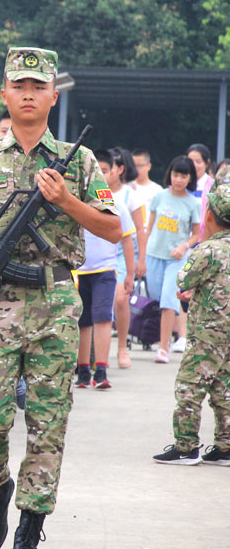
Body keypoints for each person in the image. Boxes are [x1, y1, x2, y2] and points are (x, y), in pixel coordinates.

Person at [0, 47, 121, 549]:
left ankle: (31, 523)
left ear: (53, 96)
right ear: (5, 94)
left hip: (55, 301)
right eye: (20, 85)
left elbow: (113, 227)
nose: (29, 94)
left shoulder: (77, 162)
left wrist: (66, 200)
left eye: (39, 86)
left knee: (48, 420)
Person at [153, 184, 230, 466]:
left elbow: (184, 281)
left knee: (189, 388)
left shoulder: (207, 250)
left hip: (207, 333)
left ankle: (186, 447)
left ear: (209, 216)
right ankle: (225, 447)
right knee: (224, 389)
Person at [75, 149, 135, 389]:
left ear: (113, 173)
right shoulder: (75, 199)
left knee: (102, 317)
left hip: (105, 270)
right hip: (78, 271)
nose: (99, 174)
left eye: (104, 170)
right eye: (94, 170)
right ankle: (82, 371)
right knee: (82, 321)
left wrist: (130, 273)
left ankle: (101, 369)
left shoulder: (115, 202)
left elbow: (127, 238)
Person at [145, 156, 201, 364]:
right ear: (170, 174)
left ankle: (163, 347)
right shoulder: (159, 196)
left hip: (176, 259)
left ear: (190, 178)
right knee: (156, 297)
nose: (178, 179)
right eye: (175, 174)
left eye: (183, 175)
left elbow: (196, 234)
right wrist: (142, 256)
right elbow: (148, 227)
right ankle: (157, 338)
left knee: (169, 300)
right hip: (153, 254)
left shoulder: (193, 203)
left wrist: (184, 246)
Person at [105, 147, 146, 367]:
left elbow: (140, 230)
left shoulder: (131, 196)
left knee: (121, 298)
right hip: (101, 251)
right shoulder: (93, 191)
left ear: (119, 169)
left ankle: (122, 348)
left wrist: (141, 261)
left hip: (124, 252)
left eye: (107, 169)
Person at [131, 149, 163, 227]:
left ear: (149, 166)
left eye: (140, 166)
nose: (136, 169)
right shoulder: (127, 188)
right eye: (134, 166)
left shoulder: (157, 190)